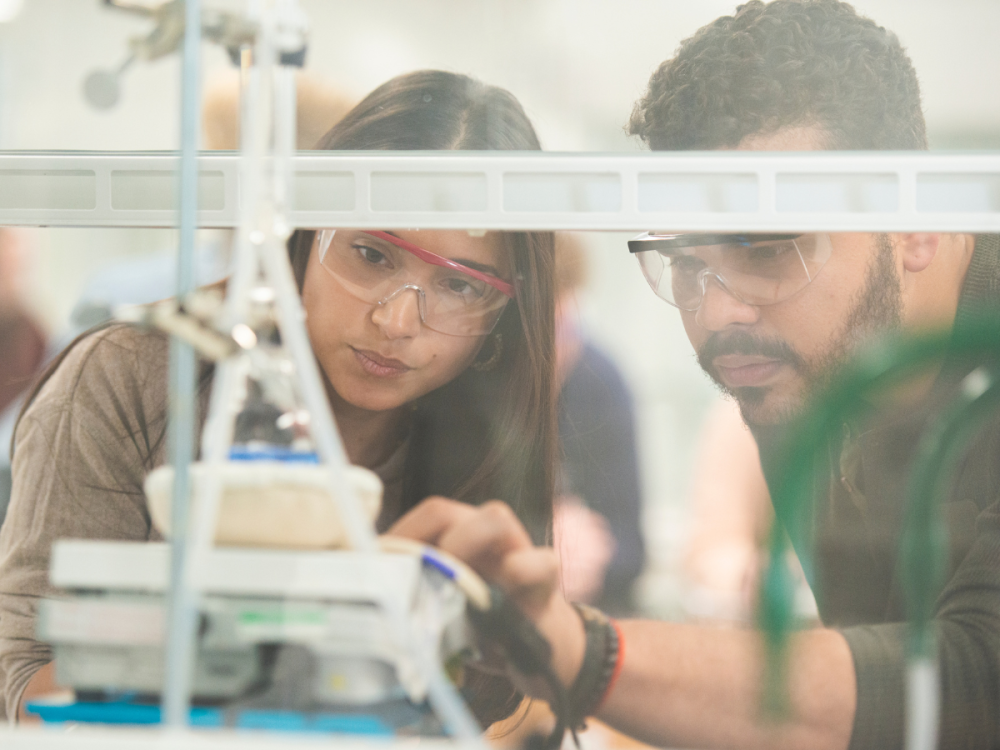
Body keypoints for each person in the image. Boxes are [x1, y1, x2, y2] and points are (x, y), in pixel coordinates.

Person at [390, 2, 1000, 749]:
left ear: (917, 225)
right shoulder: (795, 361)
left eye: (770, 252)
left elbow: (975, 684)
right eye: (686, 266)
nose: (717, 316)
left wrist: (587, 651)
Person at [0, 69, 556, 725]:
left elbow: (469, 709)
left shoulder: (484, 438)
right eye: (373, 254)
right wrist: (319, 623)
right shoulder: (133, 378)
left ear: (503, 317)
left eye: (462, 287)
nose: (397, 322)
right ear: (302, 236)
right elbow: (25, 696)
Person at [551, 234, 645, 613]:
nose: (555, 351)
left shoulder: (600, 382)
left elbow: (632, 546)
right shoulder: (471, 384)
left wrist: (593, 554)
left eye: (563, 329)